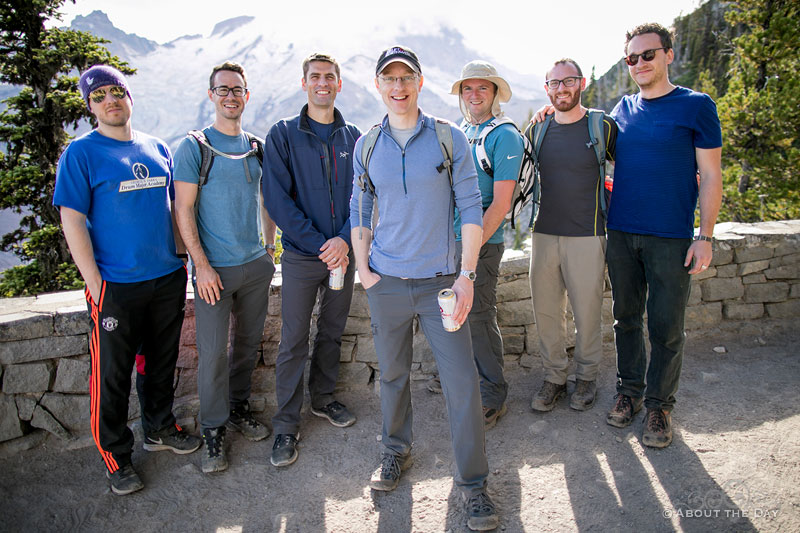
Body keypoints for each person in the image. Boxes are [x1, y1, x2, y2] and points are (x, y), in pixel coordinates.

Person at [350, 45, 498, 532]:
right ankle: (395, 452)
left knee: (462, 385)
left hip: (442, 286)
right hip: (387, 282)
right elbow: (360, 208)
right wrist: (364, 269)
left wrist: (467, 275)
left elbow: (472, 209)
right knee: (392, 376)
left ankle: (473, 486)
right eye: (389, 78)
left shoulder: (447, 138)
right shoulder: (368, 144)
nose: (398, 87)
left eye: (406, 78)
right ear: (379, 86)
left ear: (419, 82)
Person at [54, 65, 201, 495]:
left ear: (129, 96)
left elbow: (175, 209)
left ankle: (159, 428)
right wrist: (96, 284)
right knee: (112, 374)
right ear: (90, 106)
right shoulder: (81, 154)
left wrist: (183, 261)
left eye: (116, 91)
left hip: (166, 279)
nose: (110, 100)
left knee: (159, 363)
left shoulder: (156, 148)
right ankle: (116, 454)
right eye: (98, 96)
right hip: (115, 287)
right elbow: (72, 220)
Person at [604, 23, 722, 447]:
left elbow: (710, 175)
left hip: (671, 237)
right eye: (631, 58)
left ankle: (659, 406)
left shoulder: (696, 106)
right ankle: (629, 393)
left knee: (668, 326)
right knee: (625, 319)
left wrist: (704, 235)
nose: (638, 64)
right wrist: (550, 112)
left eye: (647, 55)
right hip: (620, 233)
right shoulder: (621, 110)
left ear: (668, 55)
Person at [173, 61, 276, 473]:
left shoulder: (256, 146)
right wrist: (201, 266)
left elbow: (266, 199)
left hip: (255, 265)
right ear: (211, 95)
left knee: (247, 347)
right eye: (223, 89)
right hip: (214, 272)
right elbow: (183, 208)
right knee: (213, 354)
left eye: (237, 89)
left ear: (246, 95)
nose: (231, 96)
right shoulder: (194, 147)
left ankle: (237, 409)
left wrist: (270, 248)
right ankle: (213, 431)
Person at [262, 52, 362, 467]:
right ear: (304, 83)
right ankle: (286, 424)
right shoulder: (283, 134)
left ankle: (323, 399)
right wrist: (324, 245)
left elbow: (365, 195)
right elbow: (277, 200)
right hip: (304, 257)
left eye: (330, 77)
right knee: (293, 340)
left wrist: (342, 242)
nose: (323, 83)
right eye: (315, 77)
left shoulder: (354, 136)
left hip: (345, 253)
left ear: (339, 84)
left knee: (333, 330)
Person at [431, 60, 524, 429]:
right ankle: (460, 379)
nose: (474, 95)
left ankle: (492, 394)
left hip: (482, 243)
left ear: (495, 92)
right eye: (468, 88)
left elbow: (501, 203)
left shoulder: (505, 136)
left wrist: (470, 248)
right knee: (451, 313)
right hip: (449, 241)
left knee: (480, 315)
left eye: (482, 88)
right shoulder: (463, 130)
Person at [527, 59, 617, 413]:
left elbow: (627, 166)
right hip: (544, 232)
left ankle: (587, 376)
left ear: (581, 83)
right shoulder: (538, 129)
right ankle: (554, 377)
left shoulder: (601, 125)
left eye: (568, 81)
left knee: (587, 310)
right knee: (546, 312)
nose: (561, 88)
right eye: (554, 83)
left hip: (588, 233)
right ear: (546, 88)